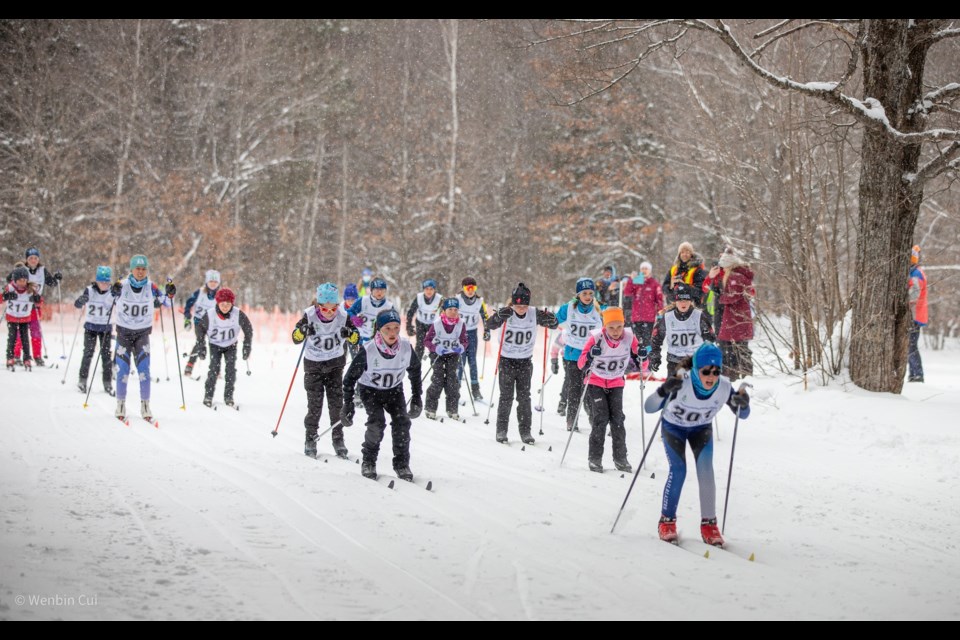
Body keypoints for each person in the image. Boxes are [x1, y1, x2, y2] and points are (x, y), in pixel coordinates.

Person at [644, 343, 751, 547]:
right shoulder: (681, 382)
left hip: (700, 429)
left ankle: (709, 525)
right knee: (679, 471)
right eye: (706, 371)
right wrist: (663, 390)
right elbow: (649, 407)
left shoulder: (724, 387)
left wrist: (743, 404)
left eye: (716, 371)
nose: (711, 376)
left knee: (706, 472)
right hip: (674, 427)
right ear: (696, 369)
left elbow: (743, 415)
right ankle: (667, 521)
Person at [341, 309, 423, 482]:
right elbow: (349, 378)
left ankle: (401, 464)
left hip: (394, 390)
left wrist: (417, 397)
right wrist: (347, 405)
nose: (392, 333)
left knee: (402, 423)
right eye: (387, 329)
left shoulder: (406, 347)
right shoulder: (369, 350)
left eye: (396, 328)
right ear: (379, 330)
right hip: (370, 391)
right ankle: (368, 461)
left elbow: (415, 371)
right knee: (377, 423)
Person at [485, 283, 559, 444]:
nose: (521, 309)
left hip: (525, 362)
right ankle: (501, 430)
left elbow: (553, 324)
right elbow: (489, 324)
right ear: (512, 303)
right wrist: (498, 316)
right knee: (506, 397)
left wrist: (552, 319)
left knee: (524, 398)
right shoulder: (506, 312)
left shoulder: (534, 313)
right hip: (506, 361)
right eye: (518, 305)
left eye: (524, 305)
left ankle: (525, 431)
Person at [292, 283, 360, 458]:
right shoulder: (309, 315)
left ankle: (338, 439)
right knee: (315, 406)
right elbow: (295, 337)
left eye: (333, 309)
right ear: (318, 305)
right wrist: (303, 331)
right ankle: (310, 439)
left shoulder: (343, 316)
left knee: (336, 404)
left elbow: (355, 338)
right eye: (325, 309)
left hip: (335, 366)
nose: (330, 312)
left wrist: (349, 334)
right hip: (314, 366)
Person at [578, 307, 643, 473]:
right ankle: (595, 459)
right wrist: (591, 355)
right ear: (605, 326)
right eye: (611, 327)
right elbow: (581, 364)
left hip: (616, 382)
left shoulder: (630, 337)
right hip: (596, 380)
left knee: (618, 420)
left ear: (623, 324)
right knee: (600, 418)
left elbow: (643, 365)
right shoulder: (596, 338)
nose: (615, 331)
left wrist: (642, 356)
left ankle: (620, 458)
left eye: (619, 326)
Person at [111, 255, 174, 421]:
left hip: (142, 334)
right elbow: (108, 296)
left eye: (143, 269)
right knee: (122, 371)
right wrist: (113, 291)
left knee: (144, 371)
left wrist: (170, 293)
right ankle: (120, 404)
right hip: (124, 333)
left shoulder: (151, 287)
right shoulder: (122, 285)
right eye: (137, 268)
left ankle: (145, 405)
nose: (140, 272)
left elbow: (167, 302)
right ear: (131, 269)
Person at [554, 277, 603, 431]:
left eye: (590, 293)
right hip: (573, 355)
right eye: (584, 293)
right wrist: (547, 319)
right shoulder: (568, 308)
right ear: (578, 295)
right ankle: (572, 420)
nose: (588, 297)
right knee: (574, 389)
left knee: (591, 390)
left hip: (590, 357)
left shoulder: (598, 310)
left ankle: (593, 419)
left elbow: (611, 326)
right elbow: (555, 320)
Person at [195, 288, 253, 409]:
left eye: (228, 304)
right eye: (222, 304)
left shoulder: (238, 314)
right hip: (215, 345)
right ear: (217, 303)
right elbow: (200, 329)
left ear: (232, 303)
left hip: (230, 345)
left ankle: (228, 397)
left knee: (230, 370)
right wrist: (201, 346)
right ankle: (208, 396)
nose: (225, 307)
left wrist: (247, 345)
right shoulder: (210, 314)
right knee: (214, 369)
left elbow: (248, 328)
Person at [649, 284, 715, 379]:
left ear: (690, 301)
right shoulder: (668, 317)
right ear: (675, 301)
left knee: (693, 392)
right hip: (674, 363)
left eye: (686, 300)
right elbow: (656, 338)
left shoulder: (699, 316)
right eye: (680, 300)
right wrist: (655, 357)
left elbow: (710, 339)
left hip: (694, 362)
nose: (683, 303)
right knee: (674, 392)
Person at [13, 248, 61, 366]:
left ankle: (37, 356)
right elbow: (12, 281)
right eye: (31, 258)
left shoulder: (42, 270)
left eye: (35, 258)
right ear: (27, 259)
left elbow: (52, 283)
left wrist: (57, 278)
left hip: (35, 305)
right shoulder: (22, 269)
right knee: (20, 330)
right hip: (23, 305)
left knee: (35, 331)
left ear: (38, 259)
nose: (33, 260)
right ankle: (16, 355)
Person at [423, 297, 468, 420]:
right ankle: (430, 408)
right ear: (444, 310)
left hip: (453, 354)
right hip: (438, 354)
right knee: (438, 380)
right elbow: (426, 341)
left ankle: (452, 409)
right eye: (450, 309)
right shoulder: (437, 323)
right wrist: (435, 348)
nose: (453, 312)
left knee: (452, 382)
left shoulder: (460, 324)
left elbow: (464, 341)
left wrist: (461, 347)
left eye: (455, 309)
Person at [74, 266, 115, 394]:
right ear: (96, 281)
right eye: (101, 281)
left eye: (106, 282)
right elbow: (77, 304)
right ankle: (82, 380)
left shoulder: (113, 291)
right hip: (91, 327)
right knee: (88, 353)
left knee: (106, 356)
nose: (104, 284)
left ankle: (107, 383)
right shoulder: (89, 290)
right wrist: (81, 301)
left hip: (106, 329)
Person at [715, 249, 755, 381]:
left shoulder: (735, 277)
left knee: (731, 348)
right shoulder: (740, 275)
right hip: (739, 317)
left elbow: (734, 296)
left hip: (735, 318)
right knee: (740, 347)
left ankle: (732, 375)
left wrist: (722, 299)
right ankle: (742, 373)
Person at [623, 261, 664, 367]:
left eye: (646, 269)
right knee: (635, 342)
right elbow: (627, 292)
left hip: (649, 318)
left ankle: (648, 364)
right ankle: (635, 364)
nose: (644, 271)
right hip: (636, 318)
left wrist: (660, 313)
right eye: (642, 269)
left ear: (650, 271)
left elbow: (659, 299)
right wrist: (631, 280)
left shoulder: (654, 283)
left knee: (647, 342)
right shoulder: (637, 281)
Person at [457, 276, 491, 401]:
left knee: (472, 362)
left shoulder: (479, 301)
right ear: (463, 288)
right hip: (459, 334)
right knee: (460, 362)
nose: (471, 290)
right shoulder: (457, 299)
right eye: (468, 288)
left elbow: (485, 317)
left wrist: (487, 330)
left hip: (472, 334)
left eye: (473, 288)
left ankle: (475, 390)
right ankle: (456, 389)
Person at [183, 270, 223, 377]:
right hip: (199, 322)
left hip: (213, 324)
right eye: (211, 281)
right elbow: (188, 304)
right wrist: (187, 317)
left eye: (215, 281)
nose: (213, 284)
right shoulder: (199, 292)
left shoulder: (220, 295)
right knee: (200, 343)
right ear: (206, 282)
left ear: (218, 283)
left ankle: (216, 368)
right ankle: (189, 365)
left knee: (215, 344)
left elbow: (227, 308)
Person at [4, 265, 40, 370]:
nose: (22, 283)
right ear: (15, 280)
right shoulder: (10, 288)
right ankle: (10, 357)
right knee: (12, 338)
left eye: (24, 280)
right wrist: (6, 296)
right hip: (12, 317)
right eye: (20, 280)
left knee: (25, 339)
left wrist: (36, 299)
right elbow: (1, 298)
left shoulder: (31, 289)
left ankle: (27, 358)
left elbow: (39, 301)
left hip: (25, 318)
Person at [346, 277, 394, 345]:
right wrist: (353, 318)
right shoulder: (363, 300)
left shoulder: (389, 306)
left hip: (379, 341)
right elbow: (350, 311)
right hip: (360, 338)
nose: (380, 292)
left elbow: (394, 324)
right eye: (377, 290)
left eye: (382, 290)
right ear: (371, 290)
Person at [406, 278, 442, 361]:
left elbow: (446, 313)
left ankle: (435, 366)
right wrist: (409, 326)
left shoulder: (439, 299)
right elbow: (411, 311)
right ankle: (416, 365)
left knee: (433, 344)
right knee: (420, 344)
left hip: (433, 325)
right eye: (426, 289)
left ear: (434, 290)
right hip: (421, 323)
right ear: (423, 289)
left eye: (431, 289)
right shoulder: (419, 297)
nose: (429, 291)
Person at [662, 242, 707, 307]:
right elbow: (664, 288)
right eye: (682, 252)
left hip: (692, 307)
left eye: (687, 252)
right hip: (674, 307)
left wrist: (684, 286)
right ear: (679, 254)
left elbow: (701, 291)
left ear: (691, 254)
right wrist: (671, 286)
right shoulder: (673, 269)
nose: (684, 254)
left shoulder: (698, 270)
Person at [908, 245, 928, 383]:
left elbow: (914, 293)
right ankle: (914, 374)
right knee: (910, 345)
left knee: (911, 345)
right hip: (915, 314)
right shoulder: (915, 272)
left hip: (914, 315)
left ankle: (917, 375)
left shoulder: (916, 274)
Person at [550, 328, 568, 415]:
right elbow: (556, 347)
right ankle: (562, 403)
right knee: (569, 380)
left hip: (584, 358)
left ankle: (587, 404)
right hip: (568, 358)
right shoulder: (565, 332)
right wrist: (554, 361)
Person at [342, 283, 360, 360]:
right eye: (348, 299)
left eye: (353, 299)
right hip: (343, 336)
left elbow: (361, 324)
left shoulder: (359, 308)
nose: (351, 302)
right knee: (341, 358)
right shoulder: (340, 309)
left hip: (354, 336)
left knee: (356, 358)